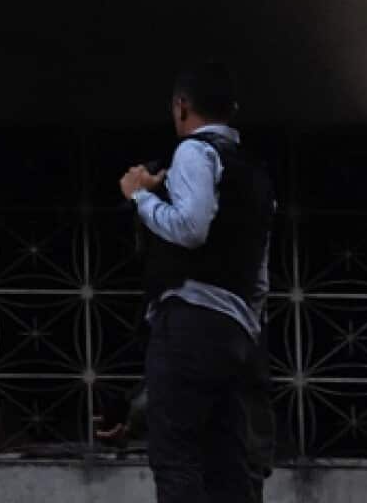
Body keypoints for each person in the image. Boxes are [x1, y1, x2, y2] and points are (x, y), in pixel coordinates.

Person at [117, 60, 276, 503]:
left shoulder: (194, 151)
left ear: (181, 106)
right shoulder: (256, 175)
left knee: (177, 457)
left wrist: (139, 197)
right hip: (237, 330)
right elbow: (260, 276)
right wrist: (245, 326)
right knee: (228, 464)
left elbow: (191, 227)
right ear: (234, 109)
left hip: (189, 323)